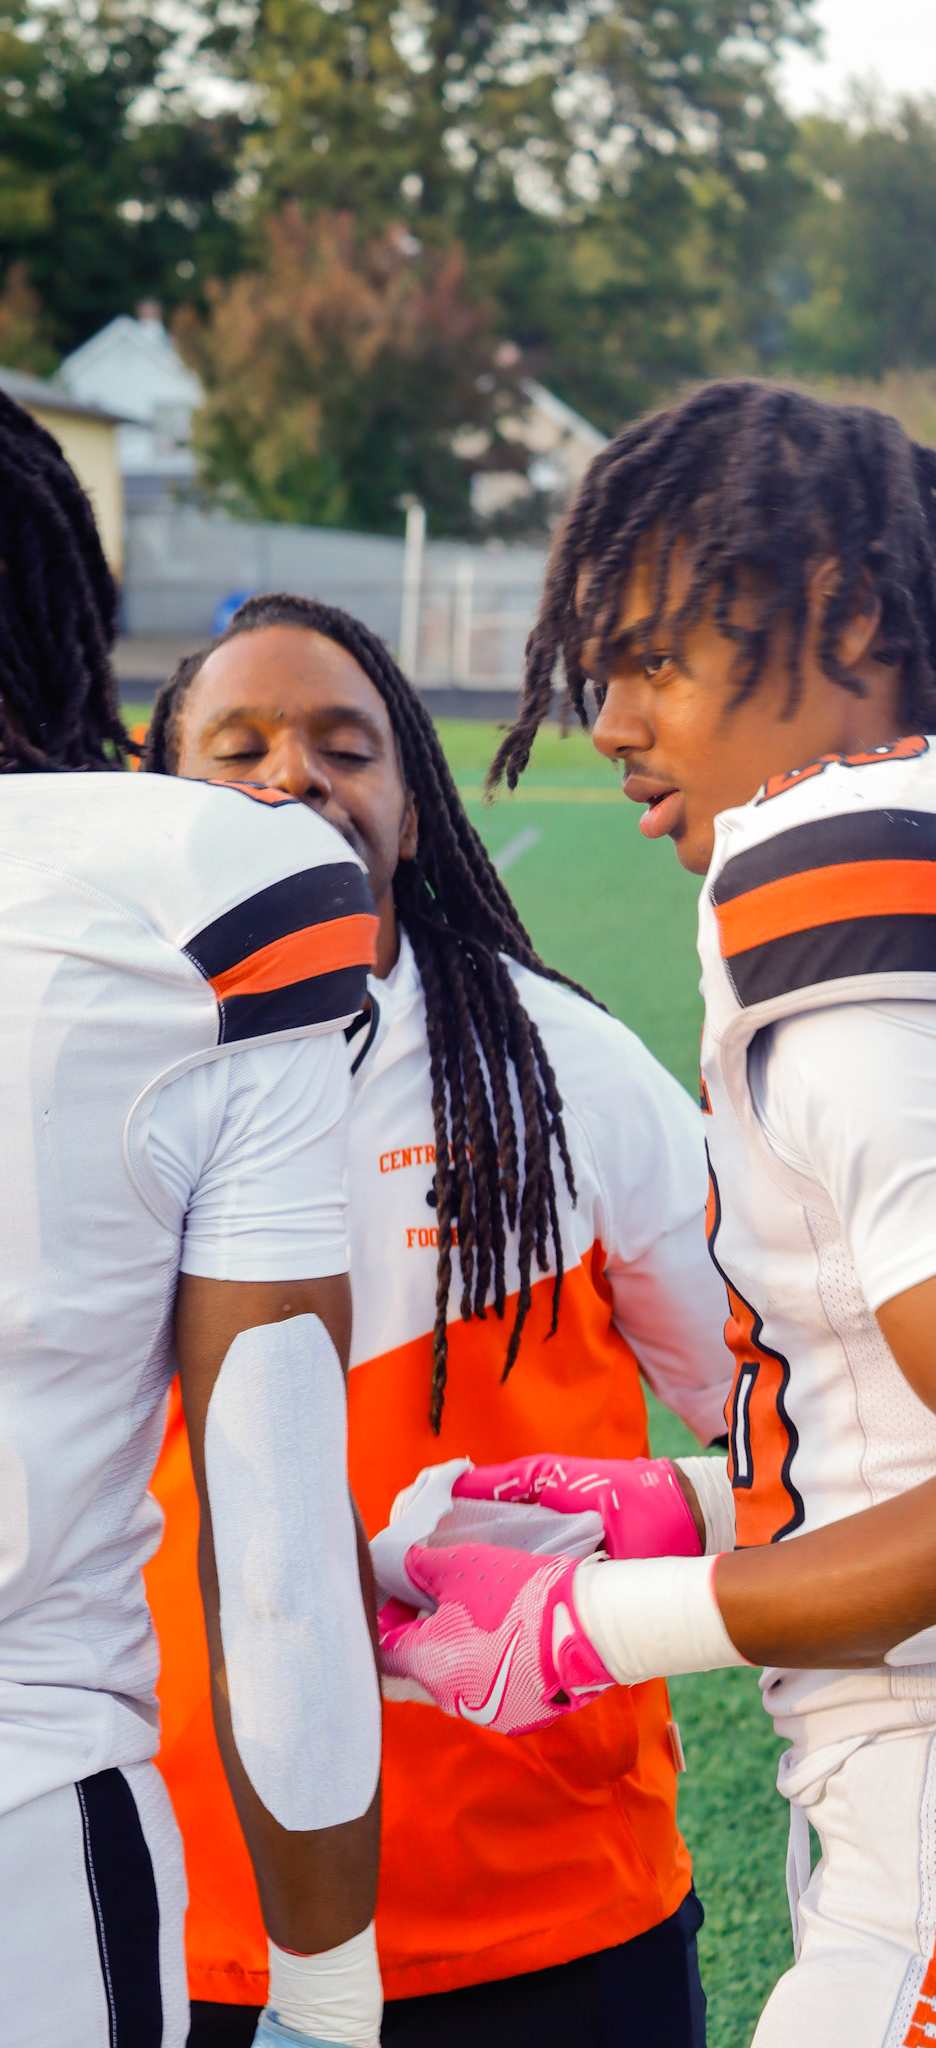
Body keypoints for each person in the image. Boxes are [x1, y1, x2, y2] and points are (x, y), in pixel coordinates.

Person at [0, 362, 383, 2048]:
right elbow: (274, 1539)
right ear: (53, 599)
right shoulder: (193, 883)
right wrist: (325, 1989)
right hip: (2, 1841)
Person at [381, 380, 936, 2047]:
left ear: (846, 613)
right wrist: (690, 1501)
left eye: (653, 661)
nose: (610, 719)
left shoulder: (834, 928)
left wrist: (597, 1623)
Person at [142, 591, 733, 2047]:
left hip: (552, 1899)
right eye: (238, 749)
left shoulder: (560, 1067)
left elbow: (784, 1400)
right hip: (188, 1915)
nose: (294, 777)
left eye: (347, 748)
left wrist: (652, 1553)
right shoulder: (86, 1084)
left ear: (411, 813)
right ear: (153, 807)